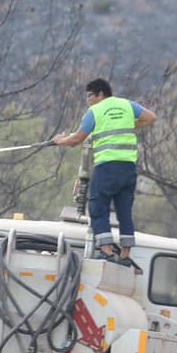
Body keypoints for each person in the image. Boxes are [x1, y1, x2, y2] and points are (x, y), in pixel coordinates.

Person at [50, 79, 155, 262]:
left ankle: (106, 251)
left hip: (106, 166)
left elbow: (77, 139)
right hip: (128, 167)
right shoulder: (127, 105)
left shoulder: (95, 111)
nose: (88, 100)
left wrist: (59, 141)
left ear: (100, 94)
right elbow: (151, 117)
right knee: (124, 210)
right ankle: (125, 254)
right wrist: (131, 124)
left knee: (98, 207)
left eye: (90, 95)